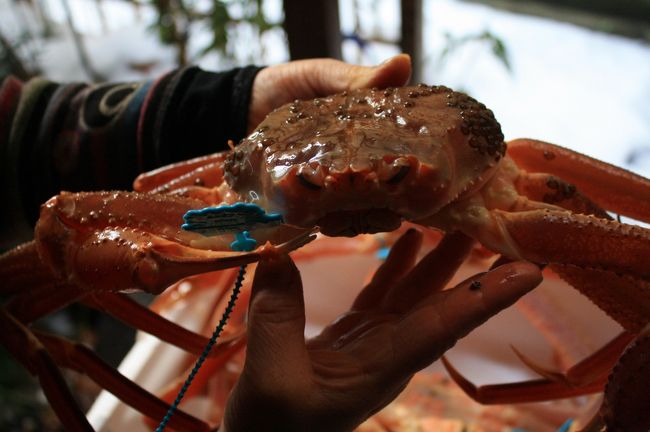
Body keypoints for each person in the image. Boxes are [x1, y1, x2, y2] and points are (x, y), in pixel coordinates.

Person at [0, 55, 543, 431]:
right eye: (307, 183)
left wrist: (228, 104)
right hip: (250, 214)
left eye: (399, 174)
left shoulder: (504, 184)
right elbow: (63, 229)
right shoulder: (229, 217)